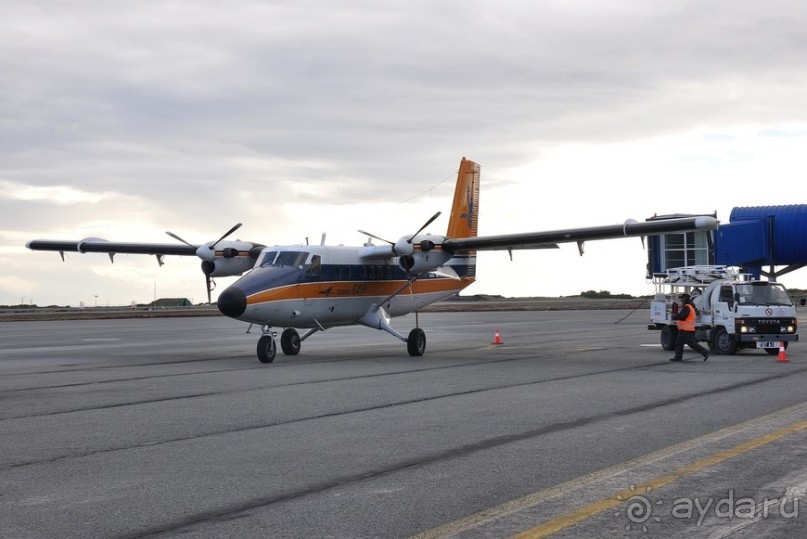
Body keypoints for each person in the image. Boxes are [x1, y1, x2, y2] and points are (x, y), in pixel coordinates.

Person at [670, 293, 709, 362]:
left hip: (686, 329)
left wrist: (675, 316)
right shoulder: (690, 306)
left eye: (681, 298)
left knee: (691, 344)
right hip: (685, 329)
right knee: (679, 343)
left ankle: (705, 352)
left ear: (685, 299)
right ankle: (678, 358)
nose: (681, 300)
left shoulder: (687, 307)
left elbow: (682, 316)